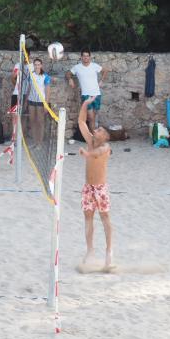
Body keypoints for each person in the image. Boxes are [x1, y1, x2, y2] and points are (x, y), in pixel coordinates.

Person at [78, 97, 114, 268]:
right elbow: (81, 121)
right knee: (88, 218)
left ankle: (109, 252)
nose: (96, 130)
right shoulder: (90, 140)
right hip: (88, 188)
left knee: (105, 217)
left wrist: (86, 154)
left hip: (100, 188)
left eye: (99, 129)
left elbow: (97, 153)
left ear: (105, 136)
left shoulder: (106, 147)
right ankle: (90, 251)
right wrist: (86, 104)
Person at [68, 50, 108, 132]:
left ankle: (93, 136)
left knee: (93, 116)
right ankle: (93, 136)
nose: (86, 57)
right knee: (90, 117)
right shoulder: (77, 67)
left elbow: (105, 71)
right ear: (81, 57)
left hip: (96, 94)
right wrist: (70, 79)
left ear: (90, 57)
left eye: (87, 56)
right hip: (86, 95)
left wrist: (102, 81)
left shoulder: (94, 66)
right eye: (84, 56)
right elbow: (68, 73)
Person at [27, 57, 52, 146]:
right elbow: (29, 88)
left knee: (40, 122)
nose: (37, 66)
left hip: (41, 102)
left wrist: (46, 104)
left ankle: (40, 143)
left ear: (41, 65)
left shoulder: (45, 76)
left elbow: (48, 91)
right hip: (31, 100)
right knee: (32, 121)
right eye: (35, 65)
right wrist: (26, 99)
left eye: (38, 65)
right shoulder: (31, 75)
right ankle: (35, 141)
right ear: (33, 65)